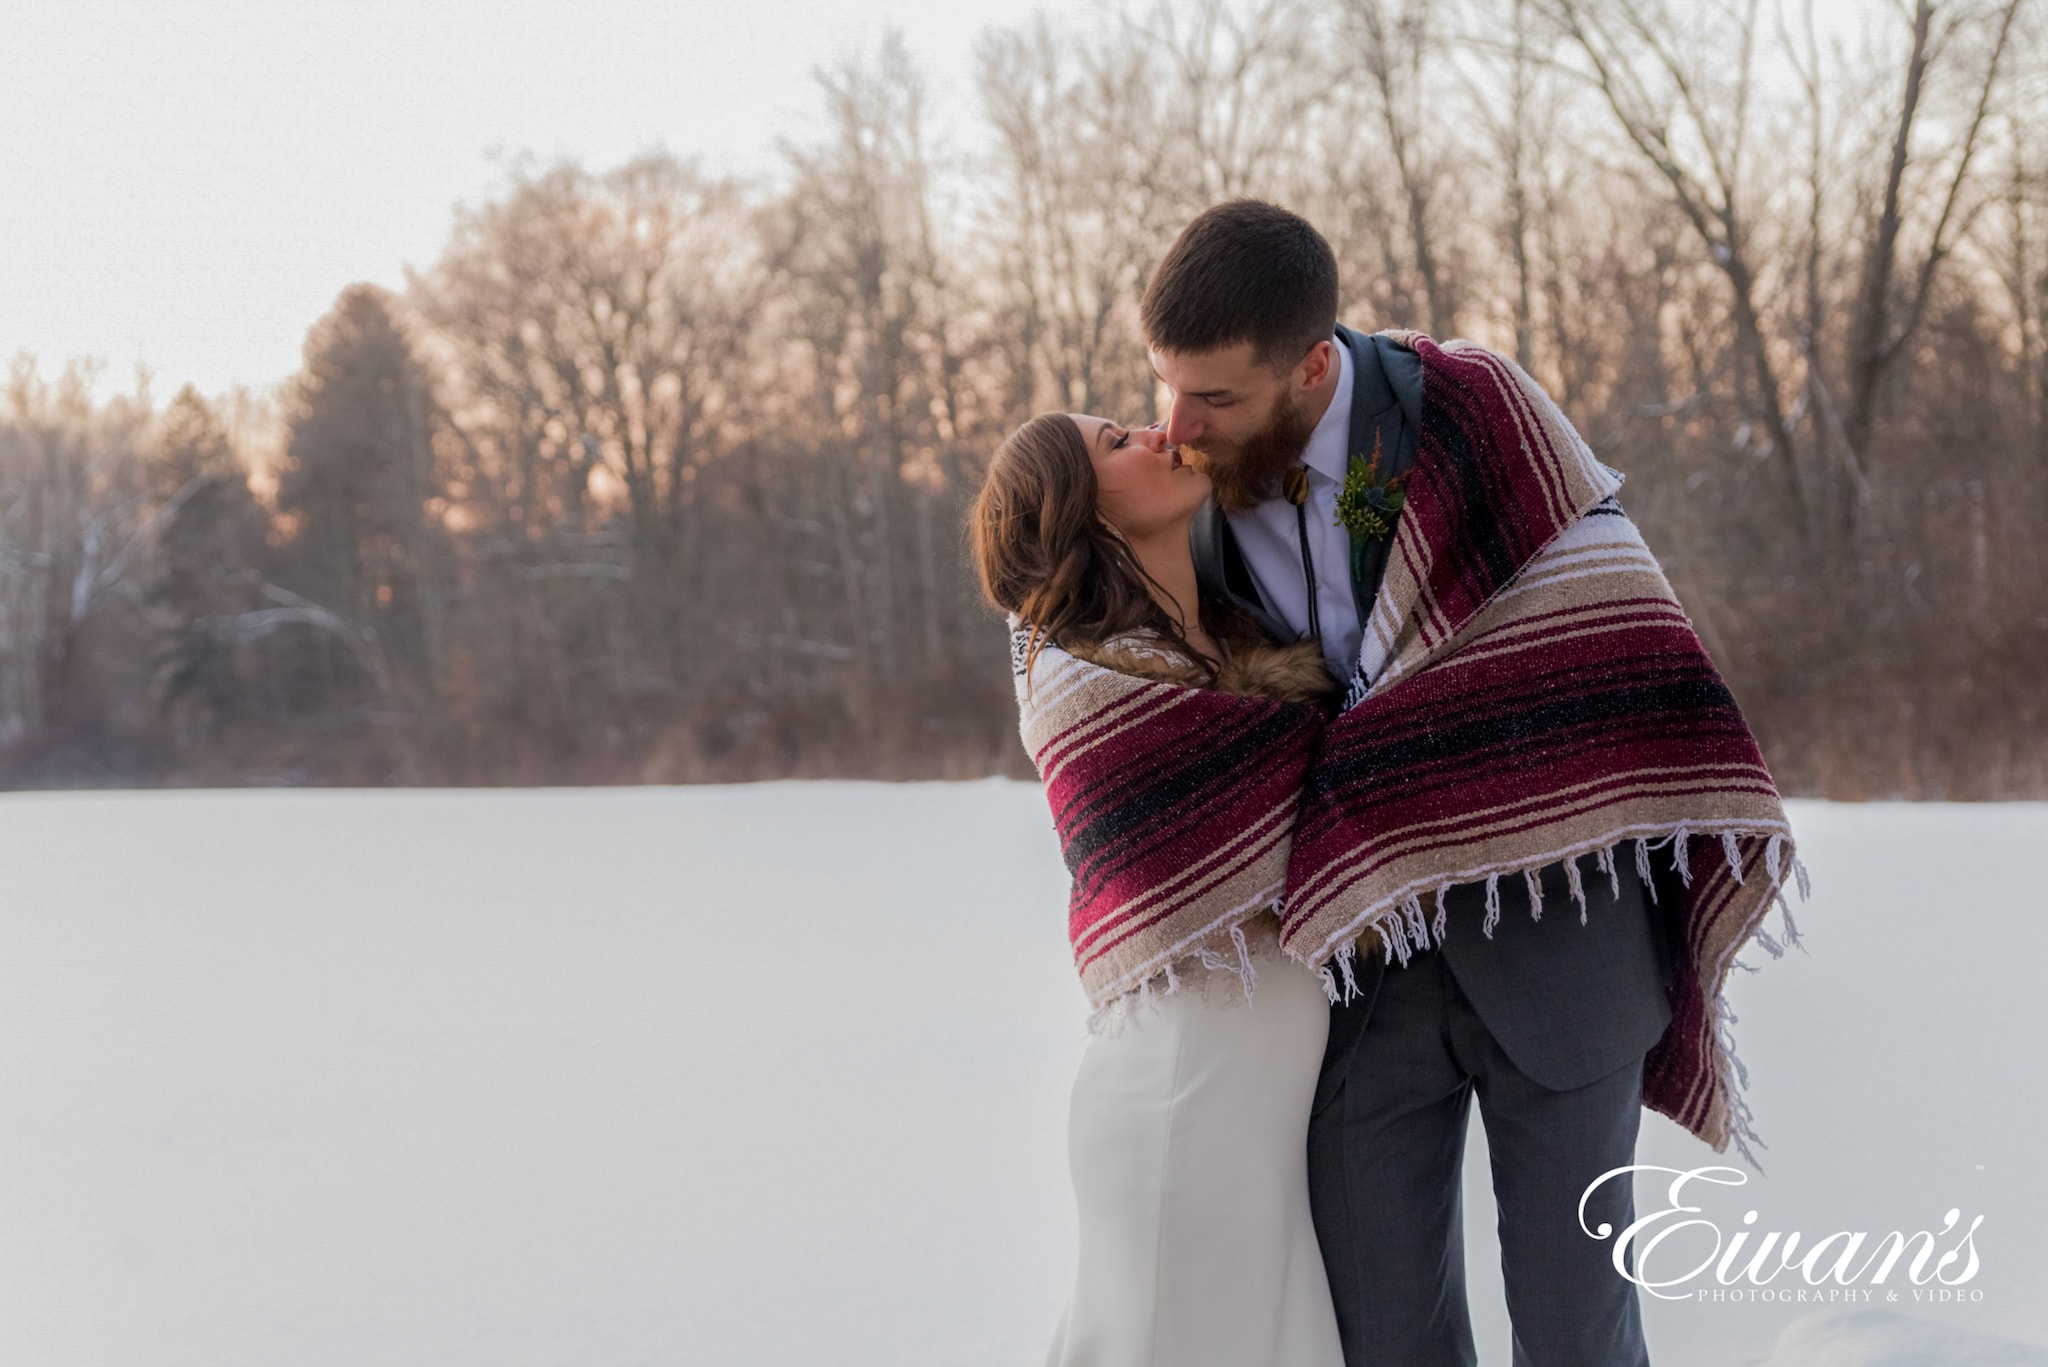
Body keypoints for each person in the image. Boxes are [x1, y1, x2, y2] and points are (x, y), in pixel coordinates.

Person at [1141, 199, 1677, 1367]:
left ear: (1312, 369)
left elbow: (1598, 634)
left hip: (1554, 938)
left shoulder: (1470, 411)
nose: (1178, 428)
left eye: (1216, 399)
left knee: (1577, 1334)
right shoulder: (1176, 493)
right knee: (1382, 1339)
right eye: (1164, 389)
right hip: (1362, 968)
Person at [969, 409, 1348, 1367]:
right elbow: (1317, 804)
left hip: (1259, 1135)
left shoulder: (1242, 652)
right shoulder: (1094, 697)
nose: (1151, 429)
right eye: (1112, 443)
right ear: (1079, 512)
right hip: (1184, 1107)